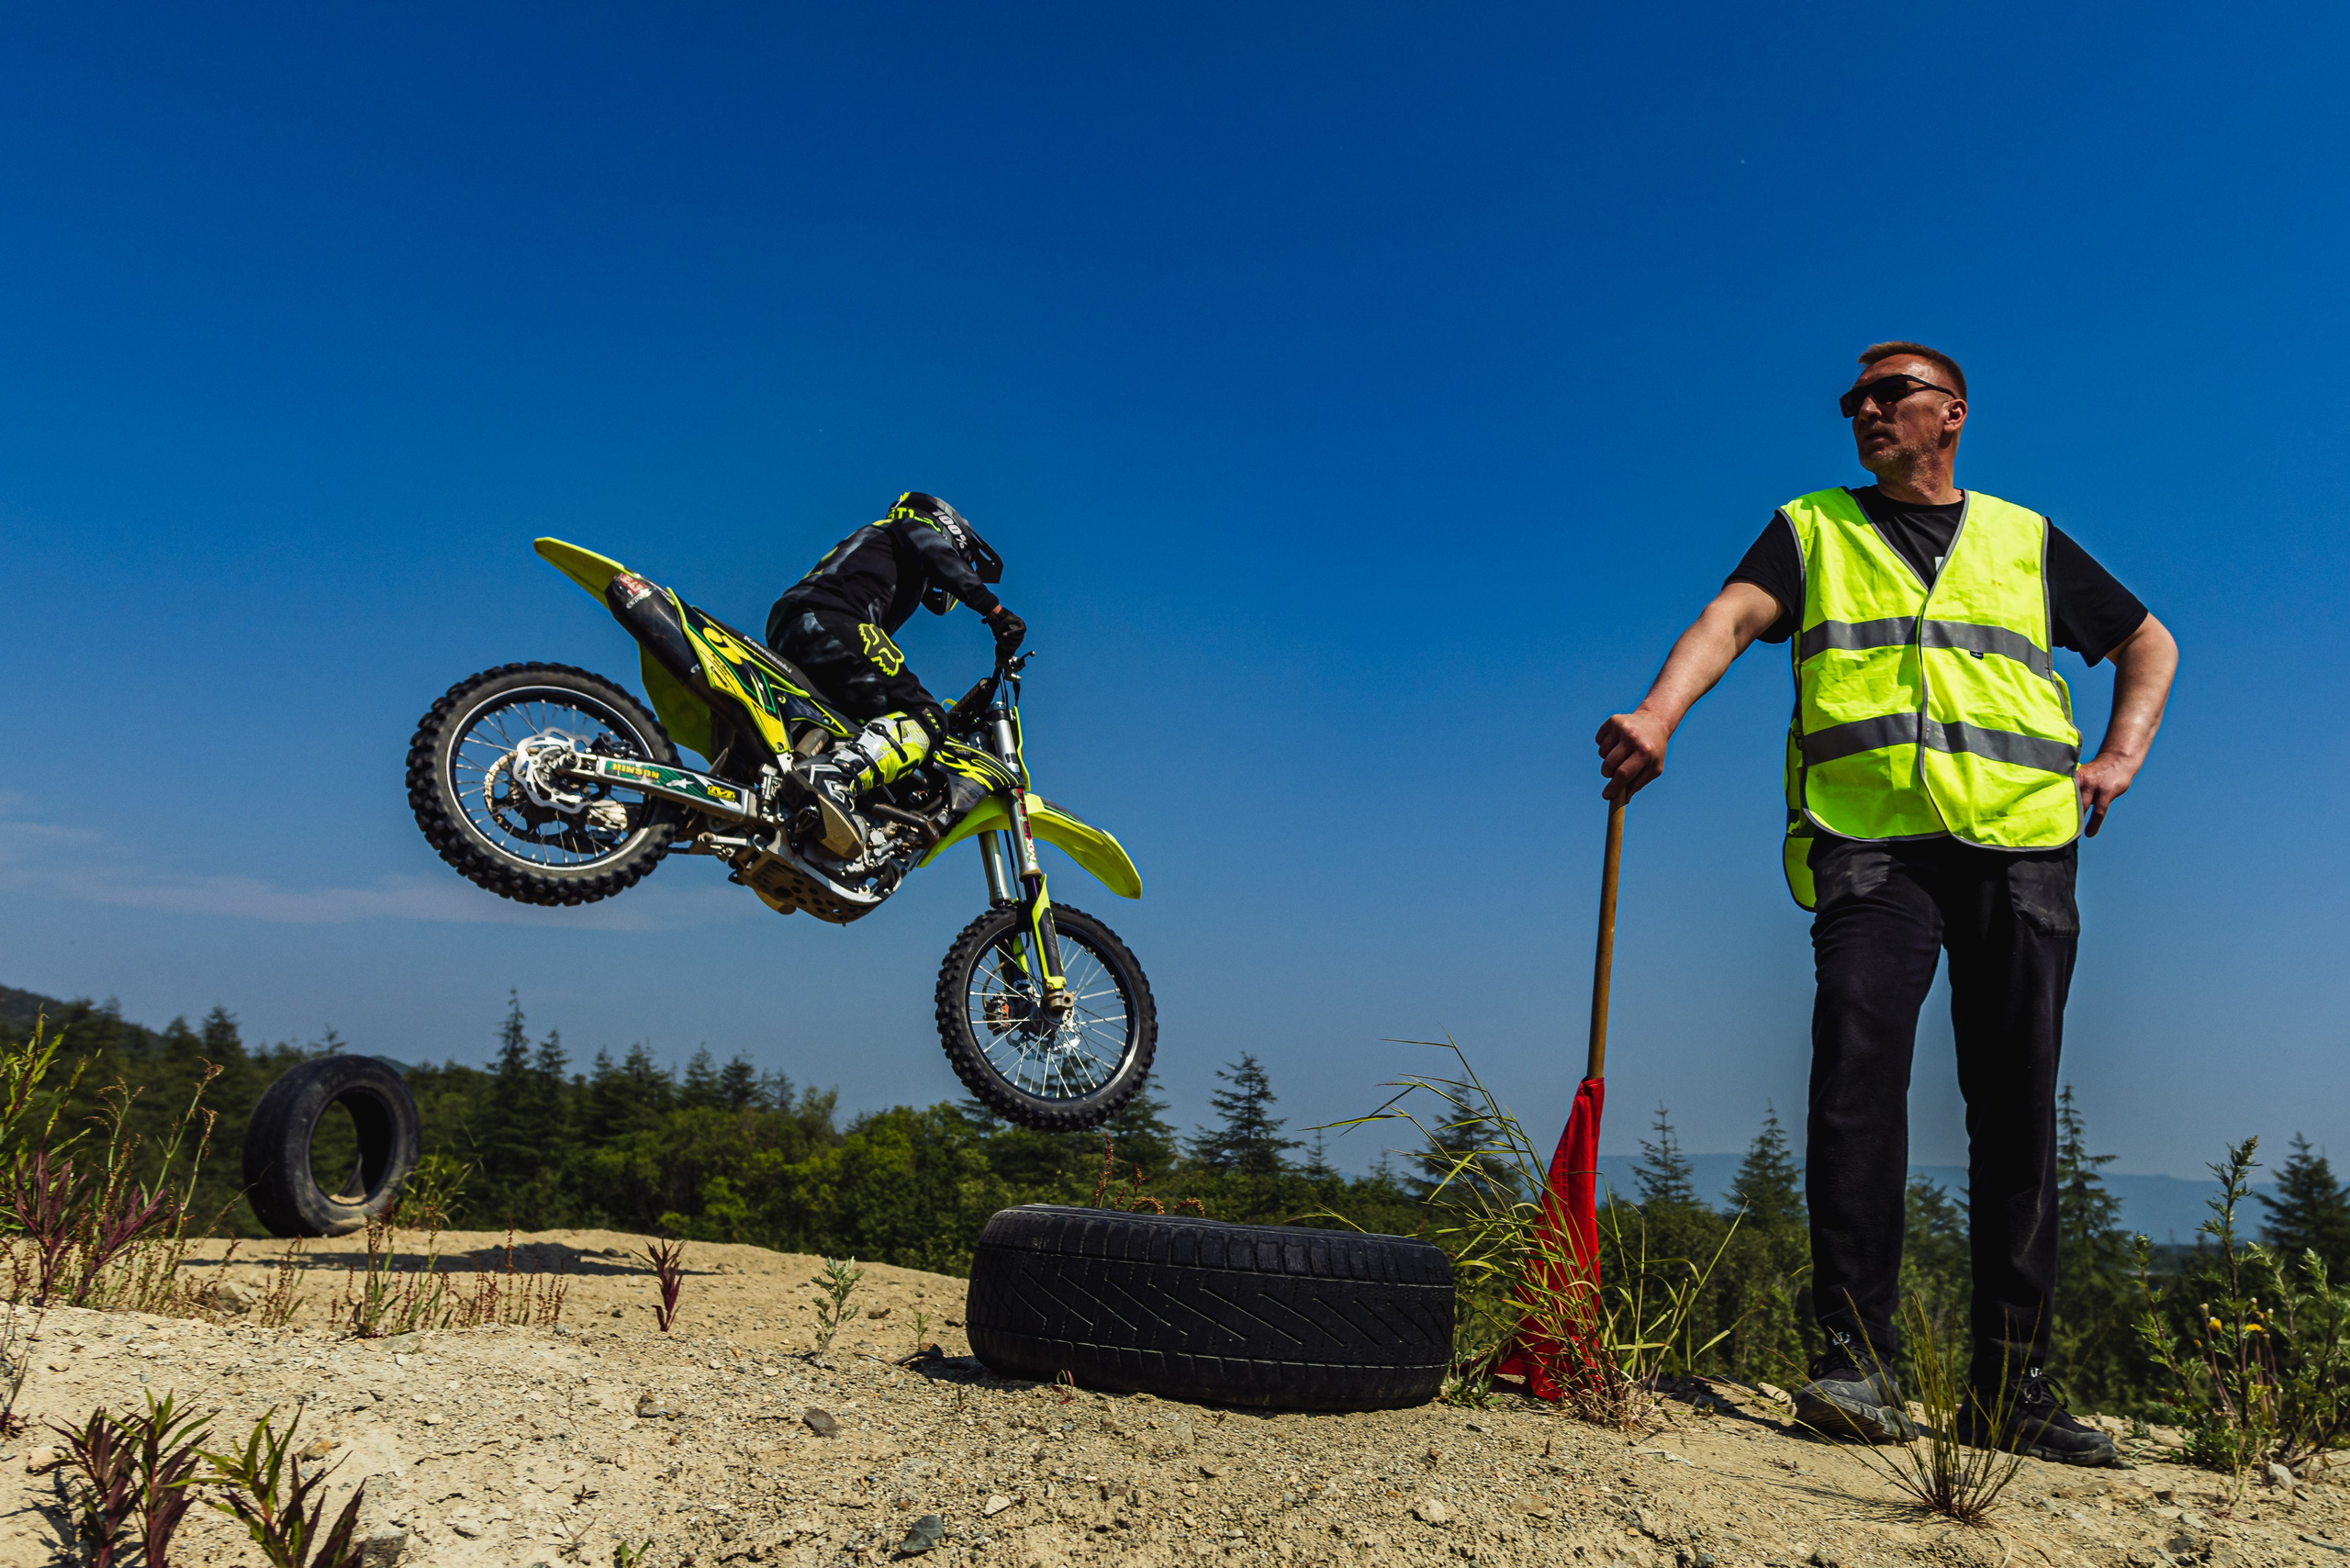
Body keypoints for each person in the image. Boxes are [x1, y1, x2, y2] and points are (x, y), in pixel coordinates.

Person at [1594, 342, 2178, 1465]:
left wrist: (2119, 756)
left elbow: (2146, 641)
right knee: (1855, 1082)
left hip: (2019, 844)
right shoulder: (1810, 526)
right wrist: (1660, 713)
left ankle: (2013, 1390)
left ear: (1949, 412)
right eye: (1854, 399)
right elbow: (1728, 617)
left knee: (2014, 1110)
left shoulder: (2024, 537)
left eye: (1888, 393)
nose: (1862, 409)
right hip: (1870, 845)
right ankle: (1852, 1364)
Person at [766, 491, 1026, 854]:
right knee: (928, 717)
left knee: (855, 723)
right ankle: (836, 779)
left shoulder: (879, 542)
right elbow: (936, 553)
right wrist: (996, 612)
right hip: (832, 620)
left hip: (792, 625)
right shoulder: (912, 527)